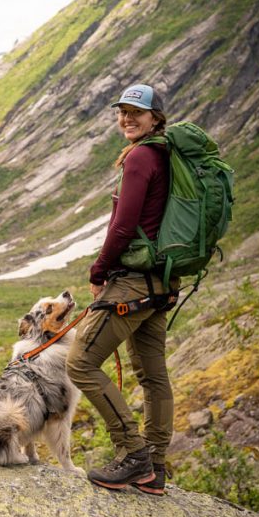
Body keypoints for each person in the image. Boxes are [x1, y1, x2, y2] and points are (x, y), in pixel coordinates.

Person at [66, 84, 176, 495]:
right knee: (153, 374)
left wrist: (99, 270)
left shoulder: (140, 158)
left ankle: (134, 454)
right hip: (162, 281)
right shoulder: (167, 156)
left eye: (137, 112)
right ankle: (157, 467)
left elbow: (124, 225)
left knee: (80, 363)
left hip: (132, 282)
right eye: (122, 112)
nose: (127, 119)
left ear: (155, 118)